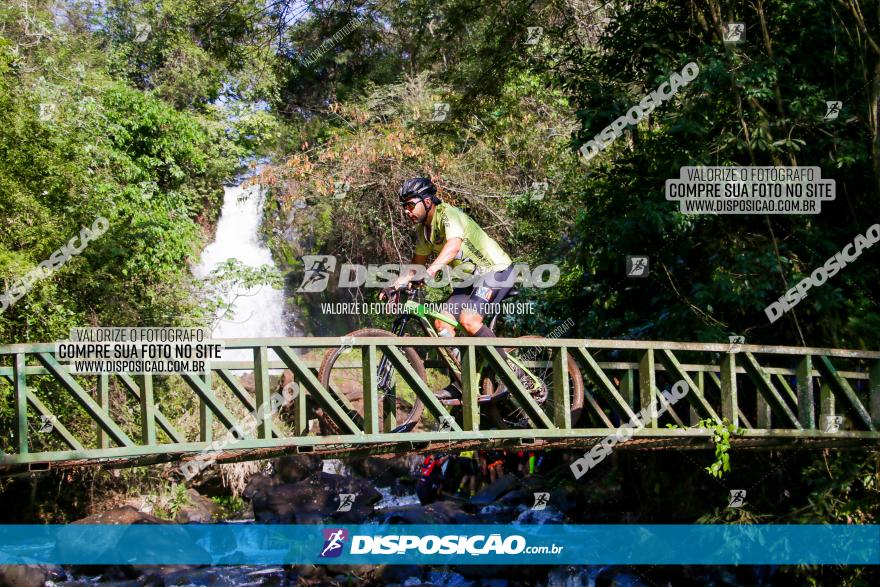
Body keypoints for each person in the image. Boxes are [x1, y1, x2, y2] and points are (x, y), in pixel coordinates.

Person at [380, 177, 534, 396]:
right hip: (470, 280)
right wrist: (394, 286)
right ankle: (463, 379)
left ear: (426, 201)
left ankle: (510, 372)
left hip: (495, 270)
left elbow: (453, 246)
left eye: (410, 205)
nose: (406, 211)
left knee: (469, 320)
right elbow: (415, 267)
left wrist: (432, 270)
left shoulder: (448, 215)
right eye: (404, 206)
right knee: (443, 324)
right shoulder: (424, 231)